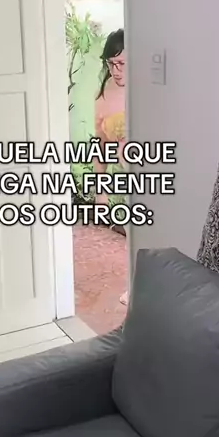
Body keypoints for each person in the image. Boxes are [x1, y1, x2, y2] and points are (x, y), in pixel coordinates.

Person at [94, 29, 129, 306]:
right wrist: (101, 192)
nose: (116, 71)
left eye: (122, 64)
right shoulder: (104, 93)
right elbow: (101, 145)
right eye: (111, 64)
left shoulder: (148, 88)